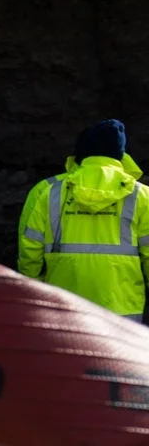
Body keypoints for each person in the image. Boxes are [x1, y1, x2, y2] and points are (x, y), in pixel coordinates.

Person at [17, 119, 149, 320]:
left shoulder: (50, 193)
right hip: (123, 311)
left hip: (63, 305)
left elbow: (30, 250)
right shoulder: (142, 196)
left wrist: (32, 292)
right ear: (121, 154)